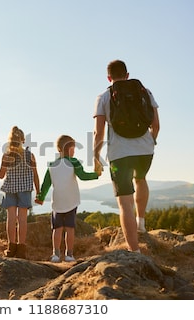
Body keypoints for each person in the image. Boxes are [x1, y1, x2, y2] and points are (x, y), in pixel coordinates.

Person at [93, 59, 160, 252]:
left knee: (124, 202)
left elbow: (98, 133)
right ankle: (141, 222)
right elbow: (156, 126)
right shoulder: (145, 92)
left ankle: (134, 251)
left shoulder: (104, 97)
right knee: (140, 179)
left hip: (119, 153)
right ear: (127, 75)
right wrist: (151, 141)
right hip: (145, 151)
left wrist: (96, 155)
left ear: (109, 77)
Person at [35, 135, 100, 262]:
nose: (74, 150)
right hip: (71, 200)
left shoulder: (52, 165)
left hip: (57, 202)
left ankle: (56, 254)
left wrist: (41, 197)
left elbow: (46, 184)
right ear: (69, 148)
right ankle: (69, 255)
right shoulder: (74, 162)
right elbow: (83, 176)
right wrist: (96, 174)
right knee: (70, 229)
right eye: (73, 148)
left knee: (57, 229)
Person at [0, 126, 40, 259]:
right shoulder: (29, 155)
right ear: (23, 140)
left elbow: (1, 175)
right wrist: (39, 192)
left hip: (10, 189)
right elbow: (35, 175)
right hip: (25, 189)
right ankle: (21, 249)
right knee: (22, 219)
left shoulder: (6, 156)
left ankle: (11, 247)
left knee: (11, 219)